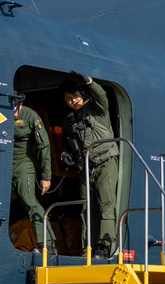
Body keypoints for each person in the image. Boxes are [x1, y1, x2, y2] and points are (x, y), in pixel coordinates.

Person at [60, 72, 119, 259]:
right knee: (87, 208)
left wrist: (89, 82)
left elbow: (101, 95)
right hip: (86, 167)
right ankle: (88, 247)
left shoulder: (98, 110)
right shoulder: (69, 120)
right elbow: (64, 143)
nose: (72, 101)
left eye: (75, 96)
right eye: (68, 98)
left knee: (106, 204)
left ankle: (104, 246)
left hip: (105, 162)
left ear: (83, 95)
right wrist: (64, 155)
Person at [10, 92, 55, 254]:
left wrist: (46, 176)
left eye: (15, 108)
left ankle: (47, 243)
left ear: (20, 104)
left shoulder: (31, 116)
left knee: (29, 200)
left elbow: (44, 145)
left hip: (22, 162)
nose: (12, 113)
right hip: (4, 161)